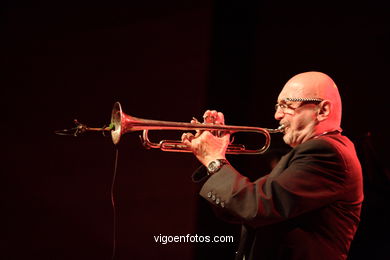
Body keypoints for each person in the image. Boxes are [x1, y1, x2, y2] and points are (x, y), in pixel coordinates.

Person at [181, 71, 364, 260]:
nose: (277, 115)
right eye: (278, 106)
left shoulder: (326, 153)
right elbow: (241, 212)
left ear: (323, 110)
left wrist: (214, 159)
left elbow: (256, 206)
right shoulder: (310, 154)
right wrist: (213, 160)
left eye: (287, 106)